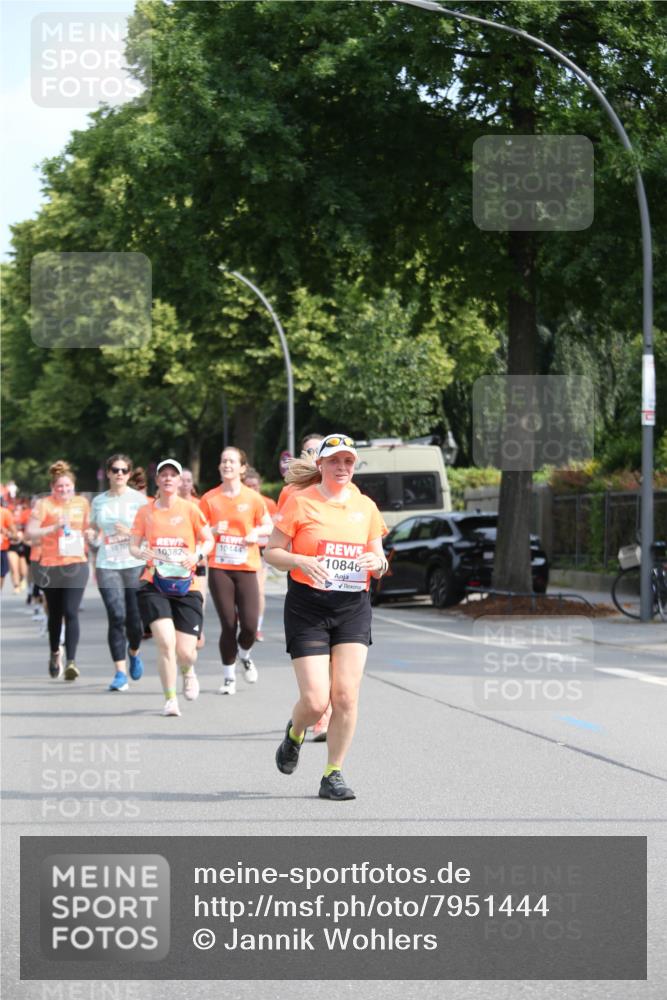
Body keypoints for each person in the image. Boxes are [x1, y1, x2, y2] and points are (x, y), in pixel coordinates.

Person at [264, 434, 388, 801]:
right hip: (308, 607)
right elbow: (271, 552)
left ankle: (333, 773)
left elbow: (380, 560)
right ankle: (295, 733)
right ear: (320, 465)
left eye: (348, 462)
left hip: (352, 607)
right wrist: (300, 560)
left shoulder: (365, 506)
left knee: (346, 696)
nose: (343, 468)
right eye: (335, 461)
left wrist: (377, 563)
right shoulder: (300, 502)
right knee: (317, 701)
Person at [129, 459, 214, 717]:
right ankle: (170, 699)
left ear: (179, 481)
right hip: (155, 582)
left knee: (185, 652)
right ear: (157, 480)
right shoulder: (146, 512)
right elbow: (133, 545)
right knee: (165, 642)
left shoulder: (190, 509)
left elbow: (208, 539)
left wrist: (197, 556)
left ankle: (188, 671)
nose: (167, 478)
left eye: (172, 475)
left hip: (187, 584)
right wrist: (141, 552)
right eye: (163, 474)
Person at [200, 447, 273, 695]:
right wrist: (212, 531)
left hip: (247, 566)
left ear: (242, 468)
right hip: (220, 567)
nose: (227, 465)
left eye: (232, 461)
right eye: (223, 461)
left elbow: (268, 525)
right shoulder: (209, 499)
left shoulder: (253, 498)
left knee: (250, 625)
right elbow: (197, 532)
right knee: (228, 624)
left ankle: (245, 654)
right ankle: (229, 676)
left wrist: (256, 532)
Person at [90, 454, 149, 692]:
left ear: (129, 473)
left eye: (124, 470)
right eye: (115, 470)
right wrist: (91, 536)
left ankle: (133, 652)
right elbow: (94, 529)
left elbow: (149, 532)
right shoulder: (99, 502)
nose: (120, 474)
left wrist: (129, 533)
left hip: (133, 563)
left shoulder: (139, 500)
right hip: (107, 564)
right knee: (116, 616)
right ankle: (120, 673)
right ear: (108, 473)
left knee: (135, 621)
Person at [27, 461, 90, 680]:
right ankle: (55, 653)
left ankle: (71, 661)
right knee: (55, 614)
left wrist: (91, 534)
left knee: (71, 612)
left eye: (68, 486)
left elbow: (89, 527)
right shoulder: (44, 504)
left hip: (76, 563)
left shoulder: (82, 503)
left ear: (74, 486)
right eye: (60, 486)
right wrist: (53, 526)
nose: (64, 490)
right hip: (50, 565)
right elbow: (30, 533)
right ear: (53, 488)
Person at [242, 466, 277, 641]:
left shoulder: (268, 503)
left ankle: (257, 627)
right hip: (243, 551)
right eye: (248, 486)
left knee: (259, 590)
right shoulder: (240, 502)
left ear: (260, 486)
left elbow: (276, 528)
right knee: (242, 592)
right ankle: (245, 623)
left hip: (261, 551)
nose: (252, 489)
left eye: (255, 486)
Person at [1, 501, 15, 592]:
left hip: (1, 549)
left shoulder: (5, 513)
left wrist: (5, 532)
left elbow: (14, 534)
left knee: (1, 574)